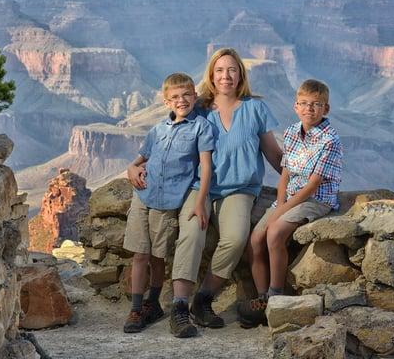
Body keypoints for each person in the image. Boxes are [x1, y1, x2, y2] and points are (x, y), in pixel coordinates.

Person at [187, 47, 283, 328]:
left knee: (236, 238)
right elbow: (173, 143)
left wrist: (303, 181)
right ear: (211, 75)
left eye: (231, 70)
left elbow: (274, 154)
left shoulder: (255, 108)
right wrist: (139, 164)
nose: (225, 76)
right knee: (191, 231)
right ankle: (177, 301)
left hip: (241, 189)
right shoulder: (200, 110)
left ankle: (203, 299)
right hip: (202, 187)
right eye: (219, 70)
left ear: (240, 74)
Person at [237, 79, 343, 328]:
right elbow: (285, 172)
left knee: (274, 233)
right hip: (290, 197)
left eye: (316, 105)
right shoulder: (293, 132)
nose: (310, 109)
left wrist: (282, 211)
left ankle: (276, 296)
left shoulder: (330, 140)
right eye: (304, 104)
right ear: (296, 106)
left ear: (325, 109)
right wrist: (280, 201)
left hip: (316, 199)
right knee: (255, 239)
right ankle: (263, 300)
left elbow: (312, 185)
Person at [123, 73, 214, 338]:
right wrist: (131, 166)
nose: (181, 100)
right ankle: (136, 308)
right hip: (143, 195)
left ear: (194, 97)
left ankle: (153, 302)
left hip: (169, 201)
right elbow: (142, 158)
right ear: (166, 102)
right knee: (139, 254)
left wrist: (199, 202)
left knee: (157, 255)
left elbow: (205, 167)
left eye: (186, 95)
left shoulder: (201, 128)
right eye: (174, 97)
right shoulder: (157, 130)